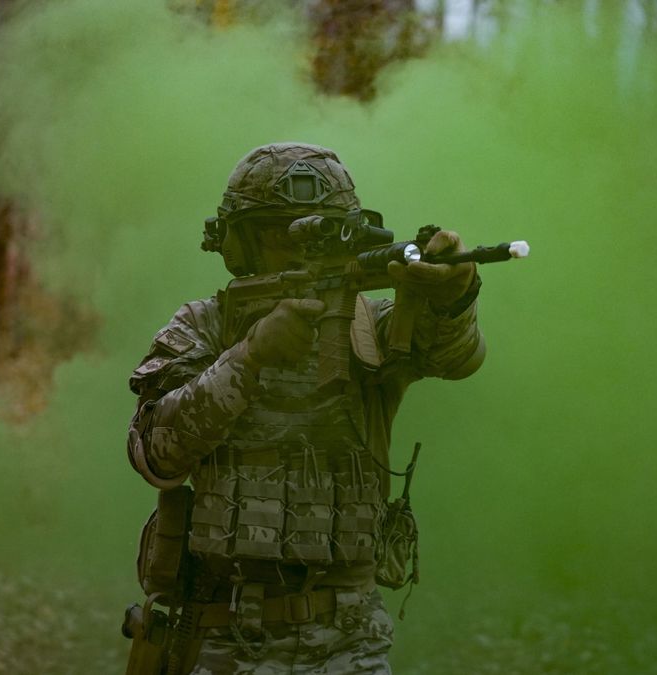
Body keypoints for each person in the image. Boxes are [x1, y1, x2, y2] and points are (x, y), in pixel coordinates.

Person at [126, 142, 484, 674]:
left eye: (319, 231)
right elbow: (154, 453)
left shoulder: (370, 326)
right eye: (278, 233)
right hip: (229, 635)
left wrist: (454, 294)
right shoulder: (204, 326)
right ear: (239, 244)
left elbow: (454, 357)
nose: (298, 251)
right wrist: (248, 359)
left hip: (351, 640)